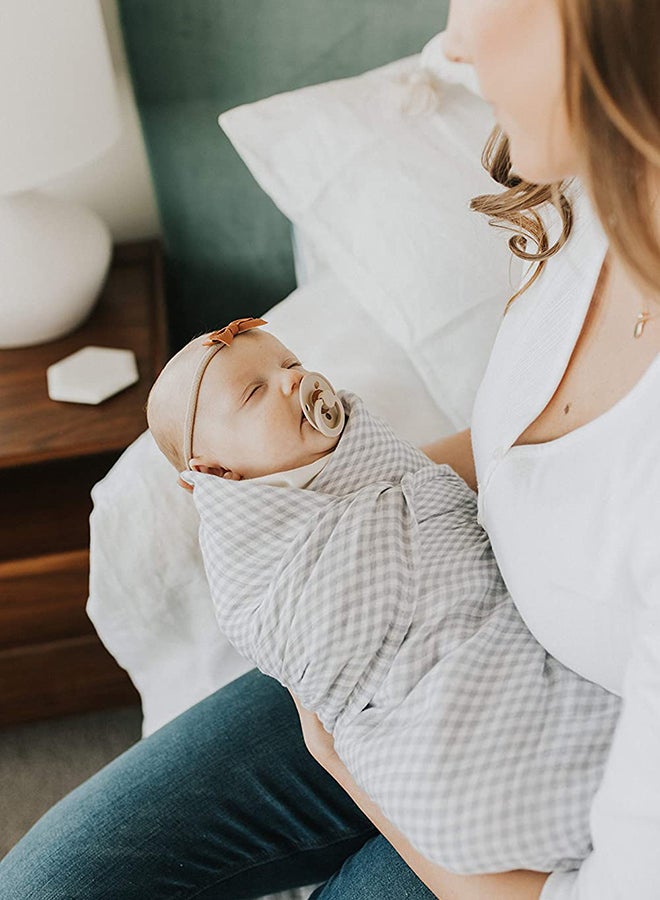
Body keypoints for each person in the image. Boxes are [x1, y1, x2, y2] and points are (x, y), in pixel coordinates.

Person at [1, 1, 658, 897]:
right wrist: (340, 496)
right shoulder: (590, 193)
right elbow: (529, 455)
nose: (450, 43)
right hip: (418, 645)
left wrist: (352, 767)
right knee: (51, 883)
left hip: (545, 763)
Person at [146, 318, 620, 876]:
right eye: (255, 391)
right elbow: (289, 635)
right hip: (385, 707)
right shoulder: (253, 561)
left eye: (291, 364)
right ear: (217, 473)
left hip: (470, 650)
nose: (293, 383)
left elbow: (414, 480)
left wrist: (419, 496)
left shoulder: (361, 449)